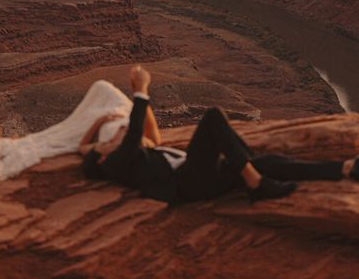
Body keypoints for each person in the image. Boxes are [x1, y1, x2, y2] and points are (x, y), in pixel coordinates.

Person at [81, 65, 359, 204]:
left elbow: (90, 147)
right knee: (213, 116)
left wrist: (99, 125)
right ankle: (254, 182)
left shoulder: (132, 156)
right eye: (105, 144)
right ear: (102, 160)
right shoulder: (117, 164)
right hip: (187, 182)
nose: (111, 140)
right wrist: (140, 89)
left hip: (203, 177)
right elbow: (127, 141)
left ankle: (344, 169)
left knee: (271, 161)